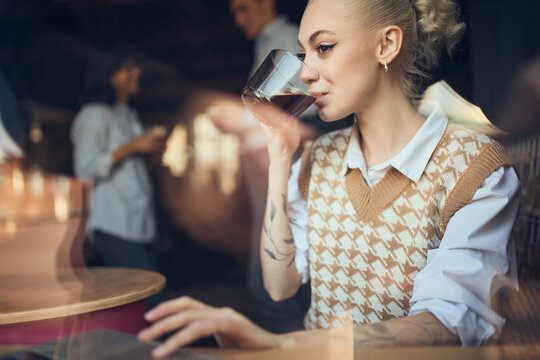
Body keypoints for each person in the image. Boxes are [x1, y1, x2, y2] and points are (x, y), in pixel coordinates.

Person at [139, 0, 520, 357]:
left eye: (323, 48)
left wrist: (280, 345)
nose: (305, 73)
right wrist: (278, 159)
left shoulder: (474, 166)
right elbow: (279, 286)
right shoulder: (317, 157)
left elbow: (447, 323)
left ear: (386, 45)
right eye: (304, 54)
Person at [208, 0, 316, 332]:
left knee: (272, 291)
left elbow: (287, 109)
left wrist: (235, 117)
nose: (238, 20)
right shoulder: (267, 43)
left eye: (243, 9)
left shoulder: (286, 38)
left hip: (288, 168)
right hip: (272, 172)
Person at [71, 51, 165, 272]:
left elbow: (131, 172)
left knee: (148, 287)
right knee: (148, 293)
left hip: (139, 221)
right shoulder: (94, 114)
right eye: (127, 67)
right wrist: (133, 147)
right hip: (113, 222)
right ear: (107, 75)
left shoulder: (128, 117)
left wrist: (150, 157)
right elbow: (85, 170)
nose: (137, 72)